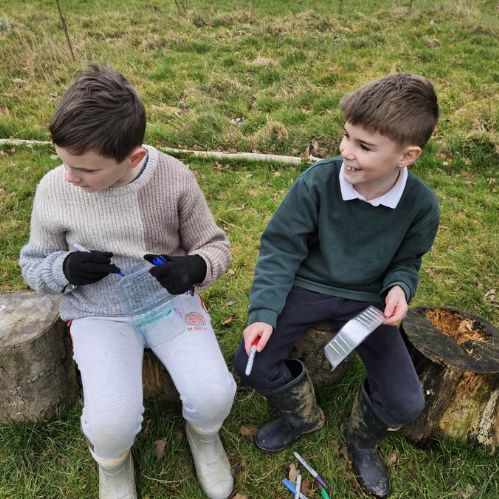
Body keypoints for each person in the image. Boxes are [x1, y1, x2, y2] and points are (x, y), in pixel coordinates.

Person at [19, 64, 236, 499]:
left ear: (133, 157)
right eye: (64, 162)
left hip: (167, 302)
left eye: (85, 170)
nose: (70, 178)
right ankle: (114, 464)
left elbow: (216, 247)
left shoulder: (173, 178)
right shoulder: (54, 188)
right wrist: (65, 268)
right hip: (98, 312)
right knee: (110, 425)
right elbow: (32, 264)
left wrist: (193, 268)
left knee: (215, 395)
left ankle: (204, 436)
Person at [233, 73, 440, 498]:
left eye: (364, 146)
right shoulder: (317, 182)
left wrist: (399, 288)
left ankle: (361, 438)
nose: (346, 151)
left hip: (367, 302)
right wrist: (264, 313)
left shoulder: (421, 206)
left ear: (408, 155)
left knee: (407, 402)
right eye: (346, 137)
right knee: (250, 363)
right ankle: (301, 416)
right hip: (306, 287)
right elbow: (280, 249)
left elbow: (407, 261)